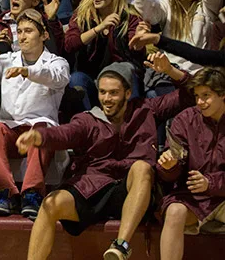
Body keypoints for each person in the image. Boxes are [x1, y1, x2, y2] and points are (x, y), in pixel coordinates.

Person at [15, 58, 193, 260]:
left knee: (142, 168)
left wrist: (170, 70)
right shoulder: (88, 119)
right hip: (93, 188)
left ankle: (121, 246)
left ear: (127, 93)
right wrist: (40, 137)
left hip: (134, 192)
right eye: (102, 92)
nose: (107, 98)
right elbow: (66, 133)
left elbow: (191, 93)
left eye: (113, 93)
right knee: (49, 203)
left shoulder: (147, 109)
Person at [0, 9, 70, 219]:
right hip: (11, 129)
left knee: (41, 131)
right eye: (21, 31)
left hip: (39, 130)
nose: (23, 36)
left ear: (44, 35)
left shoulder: (57, 62)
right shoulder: (8, 59)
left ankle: (32, 194)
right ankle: (3, 193)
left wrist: (28, 72)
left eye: (29, 31)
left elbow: (56, 78)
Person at [157, 67, 225, 260]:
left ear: (223, 95)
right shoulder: (185, 119)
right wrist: (169, 166)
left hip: (222, 197)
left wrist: (210, 184)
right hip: (191, 198)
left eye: (206, 96)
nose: (200, 102)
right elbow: (172, 172)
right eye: (197, 96)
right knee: (174, 211)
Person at [65, 0, 145, 110]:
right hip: (91, 76)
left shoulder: (130, 18)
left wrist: (139, 39)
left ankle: (131, 125)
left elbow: (136, 52)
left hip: (120, 78)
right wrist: (98, 28)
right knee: (76, 78)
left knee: (128, 71)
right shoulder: (83, 15)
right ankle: (88, 126)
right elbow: (70, 45)